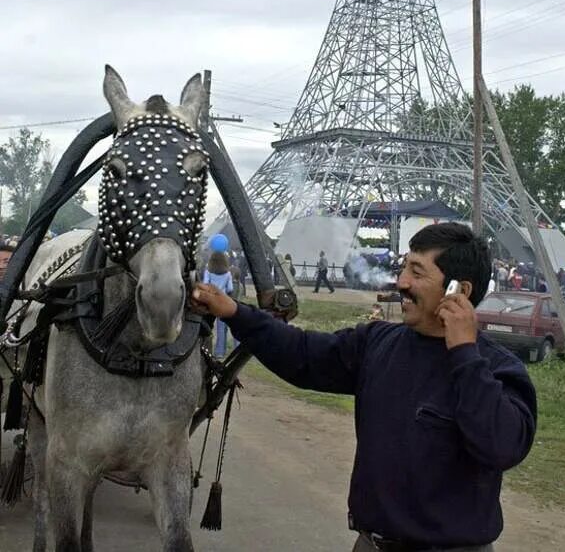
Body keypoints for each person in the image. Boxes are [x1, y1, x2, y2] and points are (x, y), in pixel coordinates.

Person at [192, 222, 536, 551]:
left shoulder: (497, 369)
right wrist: (235, 313)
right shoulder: (377, 343)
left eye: (417, 273)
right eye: (403, 269)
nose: (401, 282)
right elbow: (303, 354)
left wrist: (463, 352)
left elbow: (502, 446)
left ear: (458, 292)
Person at [202, 250, 235, 358]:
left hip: (210, 301)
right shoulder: (228, 273)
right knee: (221, 329)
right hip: (222, 301)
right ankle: (220, 352)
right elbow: (230, 288)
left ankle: (205, 348)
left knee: (207, 327)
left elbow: (205, 284)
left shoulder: (208, 271)